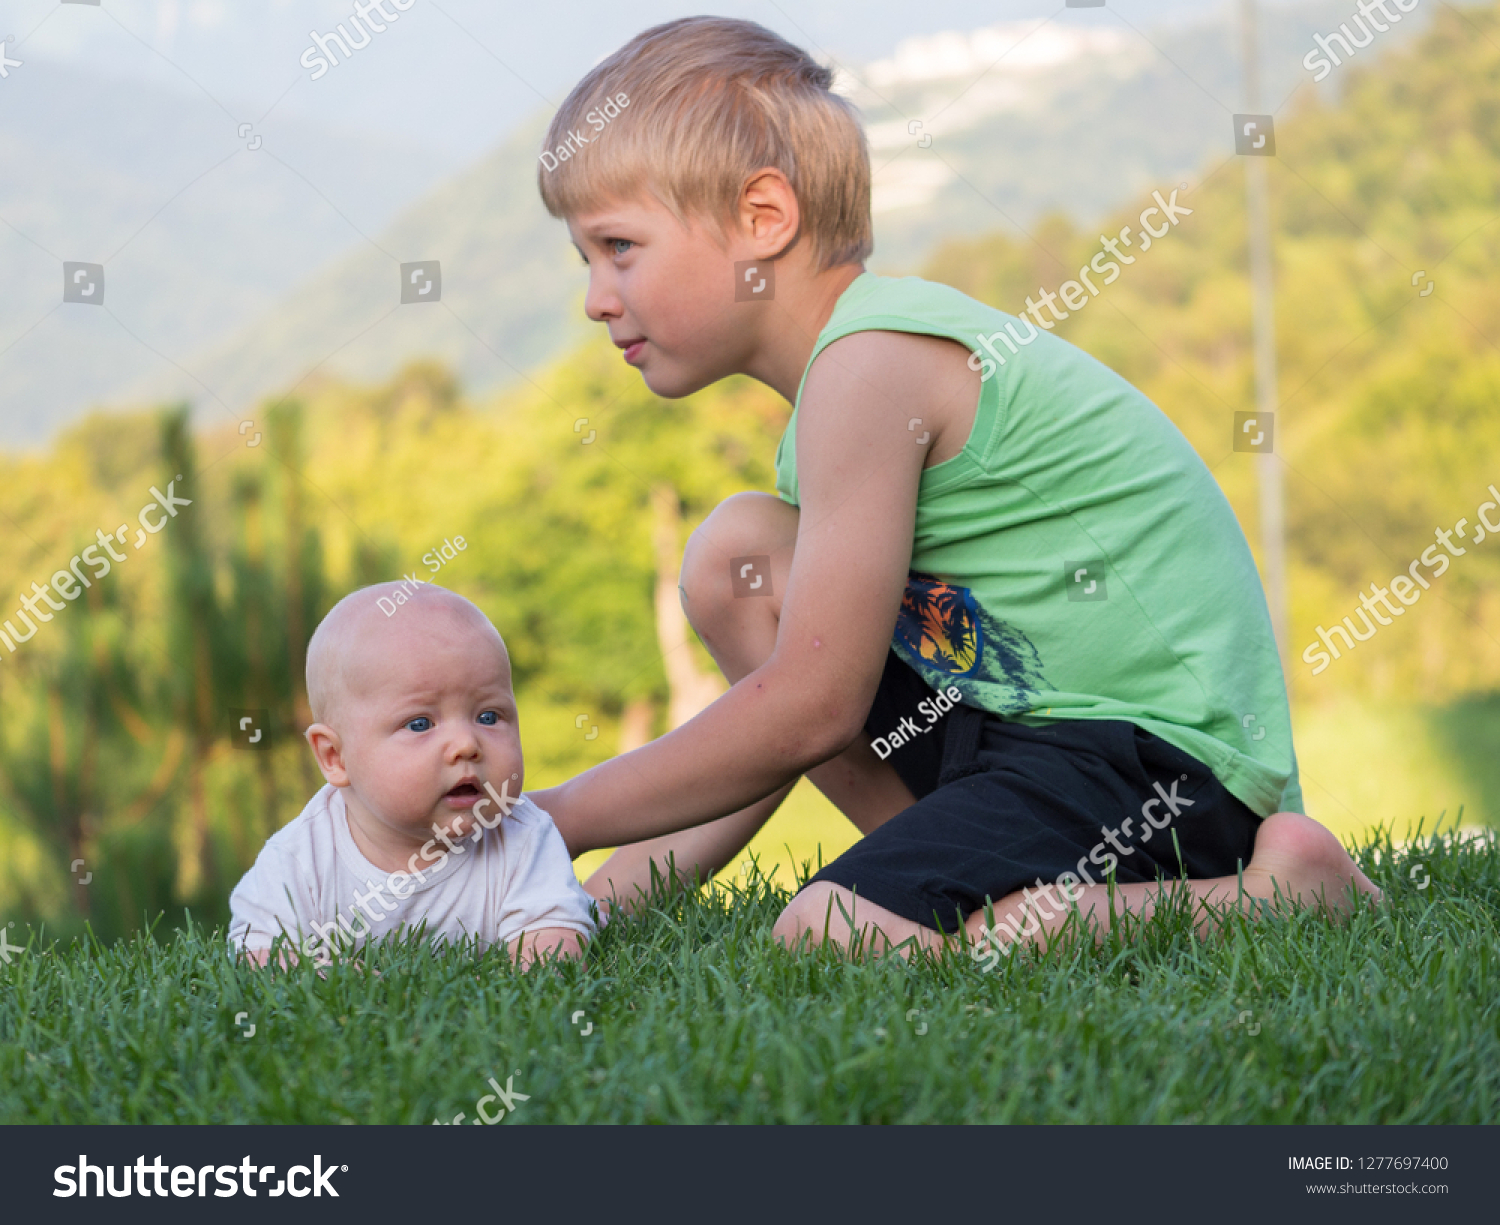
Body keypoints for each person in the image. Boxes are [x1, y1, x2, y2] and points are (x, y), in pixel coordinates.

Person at [529, 16, 1380, 957]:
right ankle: (917, 871)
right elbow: (784, 717)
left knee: (829, 933)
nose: (596, 297)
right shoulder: (837, 394)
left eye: (618, 247)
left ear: (763, 219)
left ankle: (1271, 898)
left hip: (1154, 767)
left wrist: (554, 816)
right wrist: (577, 903)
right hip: (1018, 742)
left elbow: (808, 707)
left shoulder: (872, 366)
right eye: (584, 259)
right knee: (741, 558)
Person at [227, 583, 596, 968]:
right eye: (420, 724)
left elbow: (553, 952)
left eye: (489, 717)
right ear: (335, 757)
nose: (466, 745)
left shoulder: (525, 838)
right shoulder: (300, 859)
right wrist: (328, 978)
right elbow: (255, 955)